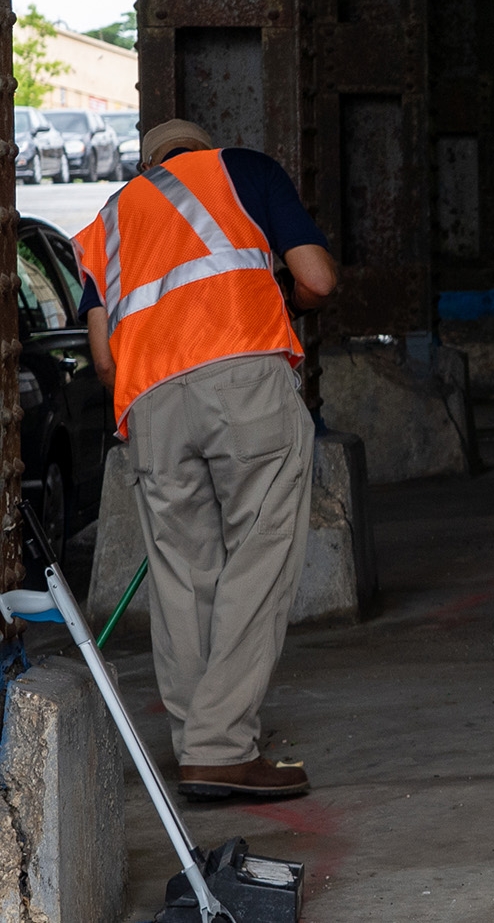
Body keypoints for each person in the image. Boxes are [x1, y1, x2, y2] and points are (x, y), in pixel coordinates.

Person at [72, 118, 339, 800]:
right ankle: (221, 747)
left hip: (152, 405)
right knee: (260, 553)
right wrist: (284, 303)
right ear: (198, 148)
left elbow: (103, 358)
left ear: (148, 163)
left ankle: (200, 745)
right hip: (245, 378)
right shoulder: (242, 169)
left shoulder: (110, 217)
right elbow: (318, 277)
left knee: (181, 574)